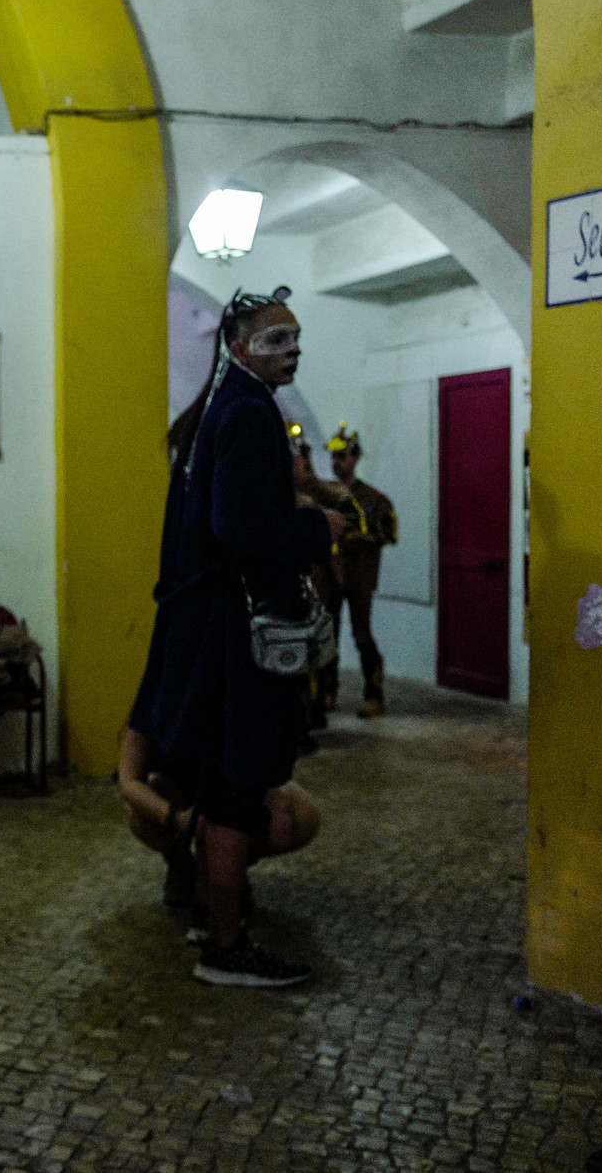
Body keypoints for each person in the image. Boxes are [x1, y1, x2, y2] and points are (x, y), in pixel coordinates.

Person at [128, 286, 345, 989]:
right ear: (236, 345)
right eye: (274, 339)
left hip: (199, 626)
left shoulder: (210, 413)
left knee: (221, 780)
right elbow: (236, 528)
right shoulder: (249, 412)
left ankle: (210, 914)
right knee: (235, 788)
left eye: (296, 338)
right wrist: (318, 529)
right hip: (236, 635)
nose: (291, 351)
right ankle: (224, 946)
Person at [116, 725, 320, 921]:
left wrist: (266, 799)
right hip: (180, 792)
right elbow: (128, 781)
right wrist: (173, 817)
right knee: (148, 798)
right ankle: (182, 864)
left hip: (228, 788)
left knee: (300, 817)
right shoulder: (155, 703)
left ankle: (232, 864)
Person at [316, 422, 398, 718]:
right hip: (327, 575)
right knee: (328, 636)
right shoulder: (323, 495)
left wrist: (355, 537)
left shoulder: (375, 500)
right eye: (334, 457)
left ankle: (374, 695)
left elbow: (387, 535)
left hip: (359, 576)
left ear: (356, 457)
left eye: (342, 457)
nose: (336, 463)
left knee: (362, 635)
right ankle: (327, 691)